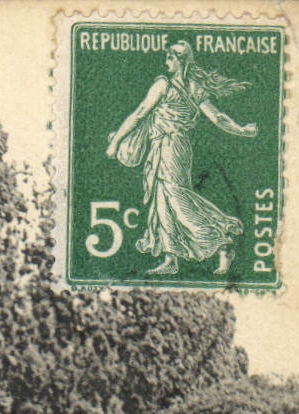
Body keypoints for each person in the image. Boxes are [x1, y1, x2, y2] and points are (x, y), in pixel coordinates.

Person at [106, 41, 259, 275]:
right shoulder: (194, 88)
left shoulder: (163, 85)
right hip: (171, 147)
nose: (166, 62)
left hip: (170, 147)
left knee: (176, 199)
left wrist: (116, 141)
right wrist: (242, 130)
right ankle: (171, 259)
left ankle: (221, 241)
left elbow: (139, 114)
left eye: (170, 58)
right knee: (163, 201)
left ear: (181, 60)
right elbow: (218, 117)